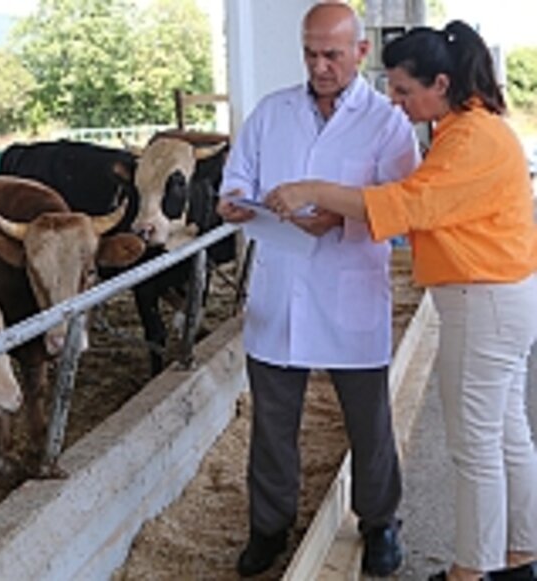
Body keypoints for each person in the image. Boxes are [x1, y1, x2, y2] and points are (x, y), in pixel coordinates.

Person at [266, 20, 537, 581]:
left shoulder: (470, 138)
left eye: (404, 90)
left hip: (481, 296)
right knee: (506, 430)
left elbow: (409, 204)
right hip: (494, 291)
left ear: (441, 83)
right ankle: (519, 554)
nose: (394, 100)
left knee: (475, 440)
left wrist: (315, 190)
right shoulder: (466, 127)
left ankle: (473, 569)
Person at [215, 2, 421, 577]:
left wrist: (342, 217)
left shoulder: (387, 122)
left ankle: (380, 521)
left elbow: (403, 207)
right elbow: (239, 177)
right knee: (273, 424)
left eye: (332, 54)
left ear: (361, 52)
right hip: (281, 291)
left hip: (349, 290)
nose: (320, 65)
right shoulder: (271, 112)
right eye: (310, 53)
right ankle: (270, 526)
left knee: (368, 421)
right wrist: (233, 203)